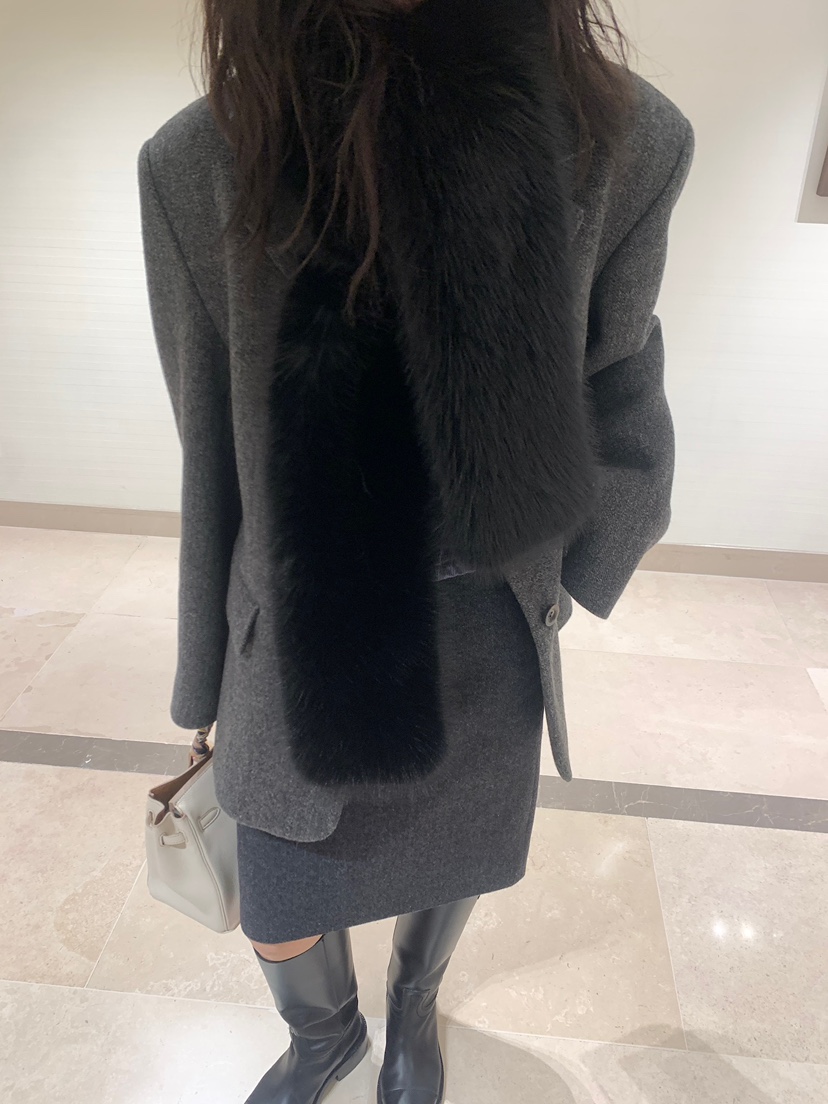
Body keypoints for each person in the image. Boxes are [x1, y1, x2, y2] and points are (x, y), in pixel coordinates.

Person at [138, 0, 693, 1101]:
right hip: (299, 633)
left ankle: (414, 1006)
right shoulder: (203, 159)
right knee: (280, 890)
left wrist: (585, 564)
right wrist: (202, 669)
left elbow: (621, 370)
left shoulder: (619, 138)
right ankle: (323, 1038)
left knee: (455, 861)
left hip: (488, 626)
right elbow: (211, 443)